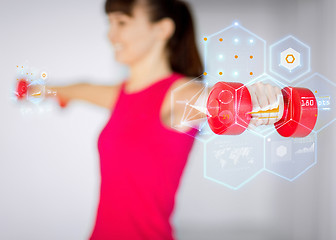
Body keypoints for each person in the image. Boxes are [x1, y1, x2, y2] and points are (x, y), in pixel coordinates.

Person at [50, 0, 282, 239]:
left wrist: (258, 98)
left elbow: (217, 100)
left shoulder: (179, 96)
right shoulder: (120, 95)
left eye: (121, 22)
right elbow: (80, 88)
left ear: (162, 30)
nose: (110, 35)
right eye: (109, 23)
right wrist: (40, 90)